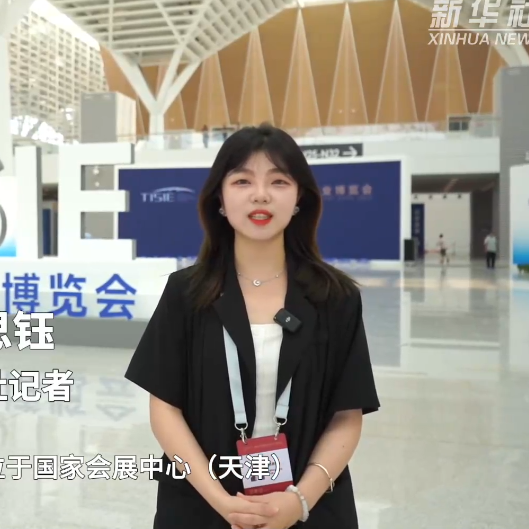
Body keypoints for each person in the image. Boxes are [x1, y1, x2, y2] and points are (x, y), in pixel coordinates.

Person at [125, 124, 380, 529]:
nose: (260, 194)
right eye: (242, 181)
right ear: (220, 199)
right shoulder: (186, 293)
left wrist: (299, 500)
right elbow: (165, 408)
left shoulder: (335, 298)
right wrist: (222, 503)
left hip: (311, 509)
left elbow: (347, 415)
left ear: (298, 199)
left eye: (278, 181)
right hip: (201, 508)